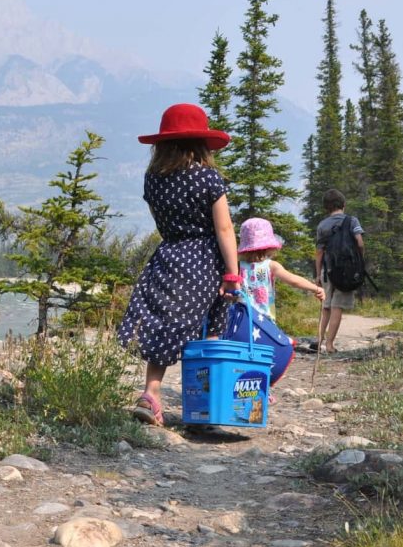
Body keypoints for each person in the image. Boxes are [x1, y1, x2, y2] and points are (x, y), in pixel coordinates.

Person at [118, 103, 240, 426]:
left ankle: (151, 394)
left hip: (167, 256)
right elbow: (225, 228)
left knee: (162, 326)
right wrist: (232, 273)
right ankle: (208, 404)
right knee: (212, 327)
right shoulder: (208, 178)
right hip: (203, 260)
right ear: (201, 142)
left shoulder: (153, 180)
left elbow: (163, 221)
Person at [237, 217, 325, 321]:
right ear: (268, 246)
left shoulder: (237, 266)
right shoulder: (271, 265)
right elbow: (294, 281)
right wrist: (316, 288)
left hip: (240, 318)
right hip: (264, 321)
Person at [314, 189, 364, 353]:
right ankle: (329, 345)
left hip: (328, 270)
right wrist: (358, 262)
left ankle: (319, 340)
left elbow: (319, 251)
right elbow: (360, 242)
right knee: (337, 307)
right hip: (347, 271)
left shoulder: (322, 225)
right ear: (343, 204)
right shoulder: (352, 221)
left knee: (326, 306)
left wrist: (318, 274)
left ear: (326, 208)